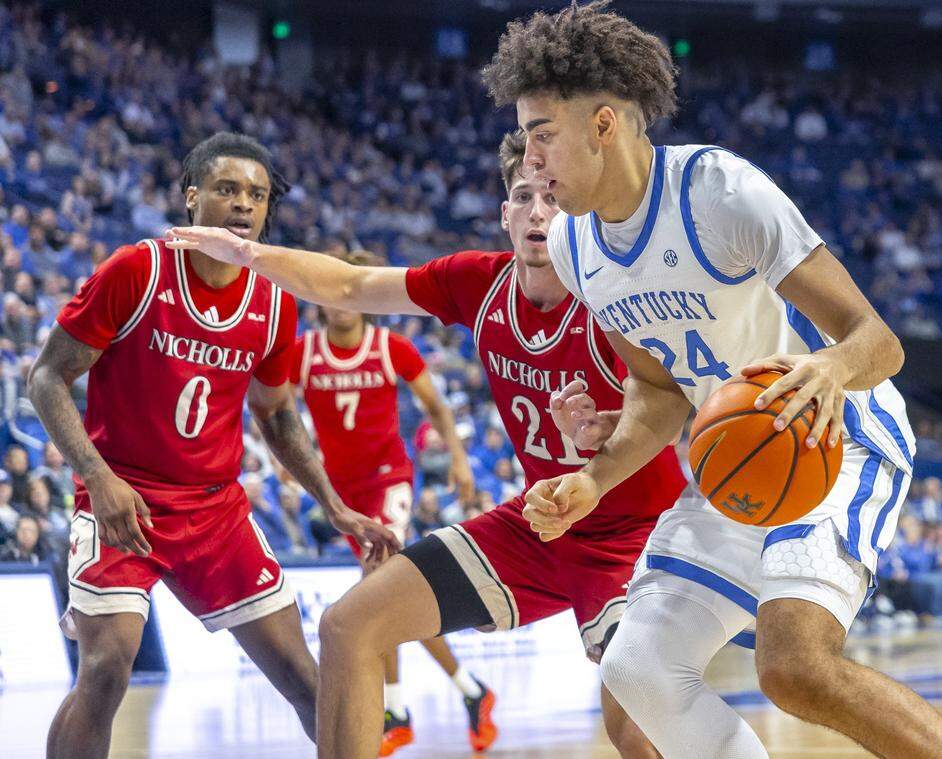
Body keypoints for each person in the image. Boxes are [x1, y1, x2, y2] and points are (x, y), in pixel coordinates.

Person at [482, 4, 942, 757]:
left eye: (543, 133)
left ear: (604, 124)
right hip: (739, 450)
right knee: (638, 666)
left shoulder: (717, 192)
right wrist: (597, 475)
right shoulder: (577, 247)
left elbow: (877, 341)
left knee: (793, 665)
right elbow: (657, 388)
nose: (531, 154)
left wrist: (827, 367)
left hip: (835, 436)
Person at [164, 128, 687, 759]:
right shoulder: (477, 283)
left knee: (632, 724)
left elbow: (672, 402)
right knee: (348, 626)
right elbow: (350, 286)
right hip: (542, 525)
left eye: (552, 195)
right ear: (505, 215)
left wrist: (606, 433)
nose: (539, 212)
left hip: (636, 536)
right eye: (524, 196)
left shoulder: (612, 296)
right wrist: (247, 254)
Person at [28, 132, 399, 759]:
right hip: (124, 501)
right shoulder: (138, 269)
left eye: (256, 195)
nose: (243, 205)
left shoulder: (275, 302)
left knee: (310, 684)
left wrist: (334, 505)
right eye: (227, 189)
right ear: (192, 196)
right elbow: (45, 377)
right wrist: (97, 476)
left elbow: (278, 417)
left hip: (215, 512)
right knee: (106, 666)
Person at [292, 250, 494, 756]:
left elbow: (436, 407)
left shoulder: (390, 347)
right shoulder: (303, 352)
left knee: (374, 589)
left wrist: (460, 461)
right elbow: (272, 407)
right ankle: (471, 691)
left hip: (390, 482)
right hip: (342, 493)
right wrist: (284, 459)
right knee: (385, 604)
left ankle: (396, 709)